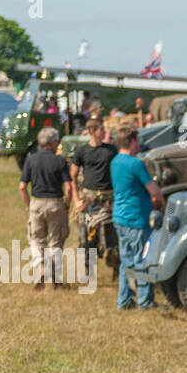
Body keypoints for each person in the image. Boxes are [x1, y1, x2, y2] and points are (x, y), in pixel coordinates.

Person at [110, 125, 164, 309]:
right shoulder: (136, 164)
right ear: (132, 141)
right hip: (137, 218)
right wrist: (162, 206)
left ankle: (124, 300)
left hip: (119, 216)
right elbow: (154, 190)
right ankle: (145, 300)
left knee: (126, 261)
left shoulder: (115, 161)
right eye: (137, 140)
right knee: (143, 260)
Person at [18, 126, 73, 288]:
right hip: (55, 202)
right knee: (56, 240)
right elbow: (68, 187)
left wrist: (29, 206)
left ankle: (41, 269)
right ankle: (55, 277)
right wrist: (67, 204)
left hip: (36, 202)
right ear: (54, 142)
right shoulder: (60, 160)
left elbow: (22, 187)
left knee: (36, 240)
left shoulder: (31, 159)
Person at [70, 117, 120, 276]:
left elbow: (119, 173)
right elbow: (72, 176)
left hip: (108, 200)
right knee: (88, 238)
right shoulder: (82, 151)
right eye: (101, 129)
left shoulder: (111, 150)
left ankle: (115, 269)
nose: (104, 132)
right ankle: (88, 270)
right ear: (92, 131)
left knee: (112, 237)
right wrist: (76, 200)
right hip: (89, 200)